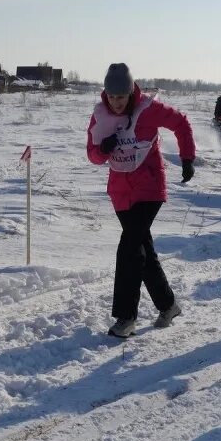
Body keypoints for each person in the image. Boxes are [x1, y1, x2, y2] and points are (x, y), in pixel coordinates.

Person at [87, 62, 197, 339]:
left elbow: (181, 123)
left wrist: (187, 158)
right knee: (142, 250)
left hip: (149, 187)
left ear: (131, 92)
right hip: (120, 192)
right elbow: (92, 155)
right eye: (111, 97)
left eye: (121, 97)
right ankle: (168, 305)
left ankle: (126, 318)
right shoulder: (100, 115)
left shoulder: (148, 110)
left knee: (128, 249)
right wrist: (103, 149)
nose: (116, 103)